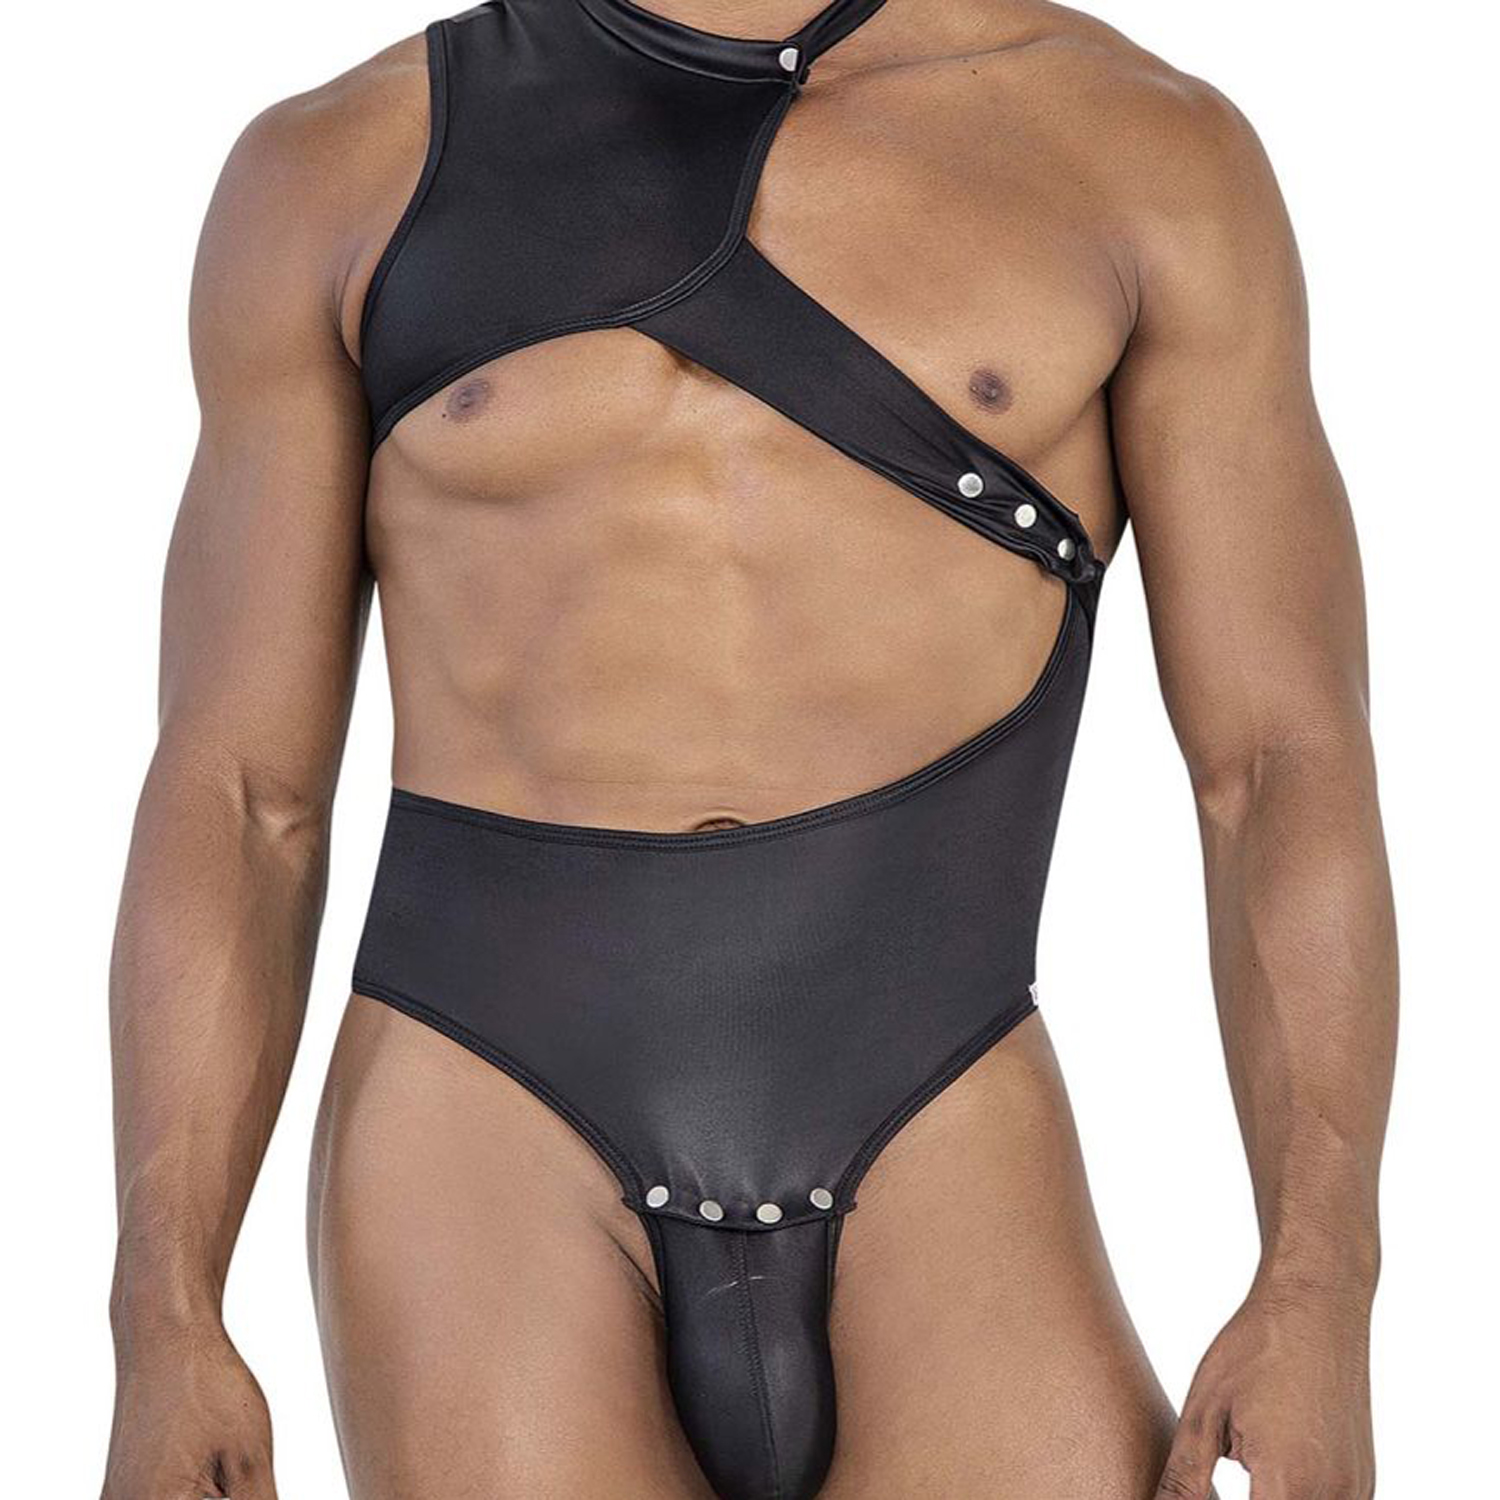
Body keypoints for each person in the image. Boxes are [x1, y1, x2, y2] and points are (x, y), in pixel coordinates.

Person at [101, 2, 1397, 1497]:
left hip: (940, 1099)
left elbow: (1276, 765)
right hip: (483, 1122)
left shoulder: (1139, 150)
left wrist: (1321, 1289)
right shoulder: (337, 169)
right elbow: (241, 794)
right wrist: (162, 1317)